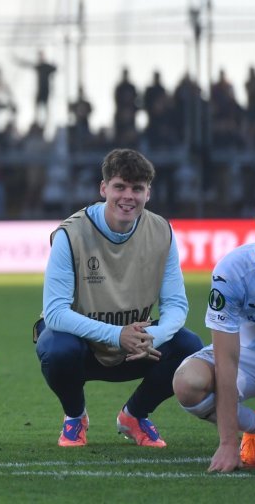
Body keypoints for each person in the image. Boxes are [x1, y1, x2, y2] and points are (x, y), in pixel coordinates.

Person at [34, 148, 203, 448]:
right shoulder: (70, 234)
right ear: (103, 189)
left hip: (137, 346)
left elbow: (176, 305)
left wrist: (153, 334)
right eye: (120, 186)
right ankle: (75, 417)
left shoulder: (161, 231)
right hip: (82, 347)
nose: (128, 196)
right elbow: (55, 312)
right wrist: (117, 335)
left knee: (190, 346)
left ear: (148, 192)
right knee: (55, 347)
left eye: (137, 188)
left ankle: (134, 415)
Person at [173, 194, 255, 473]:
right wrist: (228, 443)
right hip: (245, 356)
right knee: (188, 383)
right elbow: (227, 361)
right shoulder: (233, 271)